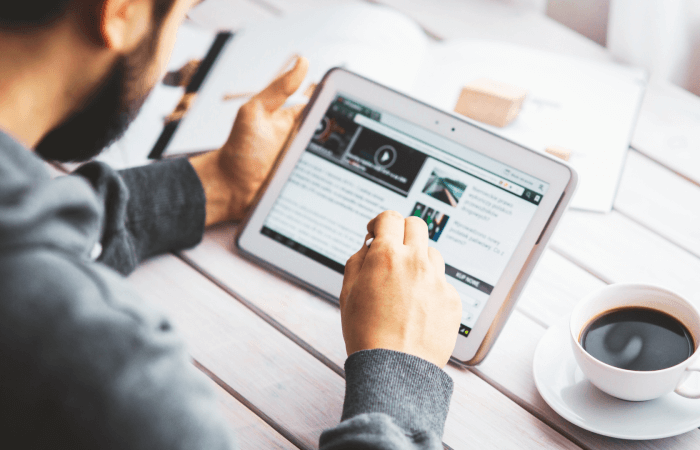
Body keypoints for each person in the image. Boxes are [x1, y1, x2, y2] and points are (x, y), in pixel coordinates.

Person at [0, 0, 463, 449]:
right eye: (186, 14)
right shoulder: (110, 376)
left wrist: (215, 183)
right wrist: (400, 378)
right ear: (121, 9)